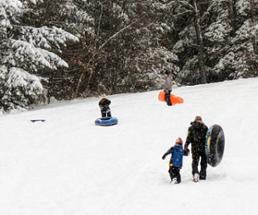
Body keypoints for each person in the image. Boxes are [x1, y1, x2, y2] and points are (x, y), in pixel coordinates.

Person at [184, 116, 208, 181]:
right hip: (203, 148)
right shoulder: (205, 128)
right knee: (204, 161)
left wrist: (186, 146)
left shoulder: (191, 128)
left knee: (195, 162)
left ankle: (195, 173)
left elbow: (188, 138)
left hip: (195, 148)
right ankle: (202, 175)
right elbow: (209, 139)